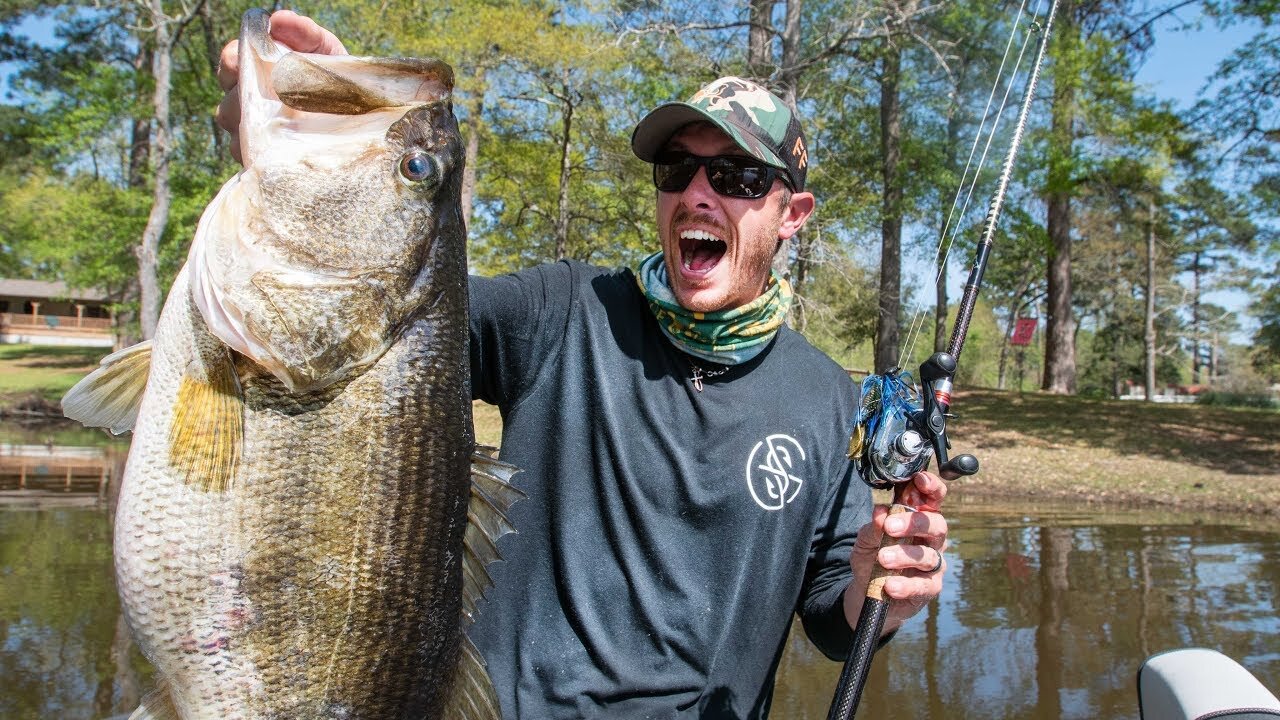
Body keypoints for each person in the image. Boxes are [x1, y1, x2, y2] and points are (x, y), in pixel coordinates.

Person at [217, 11, 950, 718]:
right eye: (678, 169)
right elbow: (383, 312)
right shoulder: (566, 309)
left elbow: (833, 620)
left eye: (737, 176)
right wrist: (340, 148)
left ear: (793, 213)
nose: (698, 192)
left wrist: (880, 590)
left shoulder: (824, 393)